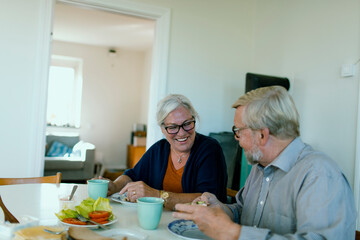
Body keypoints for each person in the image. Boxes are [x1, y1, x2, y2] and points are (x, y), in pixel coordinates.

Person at [173, 86, 357, 239]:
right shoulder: (260, 167)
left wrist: (232, 232)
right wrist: (220, 208)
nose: (236, 138)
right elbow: (243, 211)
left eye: (238, 131)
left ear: (262, 134)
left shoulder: (319, 175)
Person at [102, 94, 228, 210]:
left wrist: (157, 195)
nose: (182, 132)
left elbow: (207, 199)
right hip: (164, 222)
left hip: (200, 227)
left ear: (194, 120)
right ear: (162, 129)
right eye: (173, 127)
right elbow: (132, 175)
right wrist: (115, 186)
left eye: (187, 124)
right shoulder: (159, 149)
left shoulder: (209, 149)